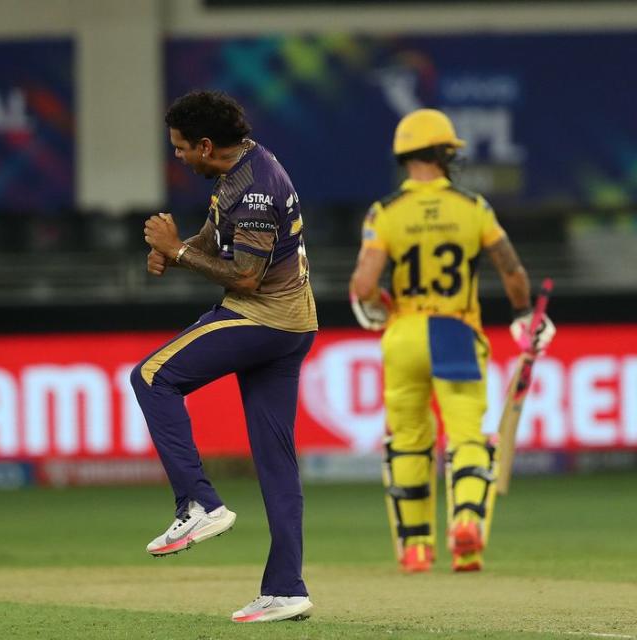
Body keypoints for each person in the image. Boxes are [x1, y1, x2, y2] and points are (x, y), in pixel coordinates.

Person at [130, 90, 317, 623]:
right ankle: (286, 588)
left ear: (207, 145)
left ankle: (199, 504)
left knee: (150, 377)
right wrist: (182, 247)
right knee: (276, 461)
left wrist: (179, 252)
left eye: (181, 148)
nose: (179, 157)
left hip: (264, 317)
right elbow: (217, 237)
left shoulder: (256, 189)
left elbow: (247, 277)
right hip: (291, 322)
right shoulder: (241, 167)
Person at [349, 109, 555, 574]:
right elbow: (512, 271)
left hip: (402, 335)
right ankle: (466, 528)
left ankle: (416, 547)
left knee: (407, 441)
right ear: (443, 153)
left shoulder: (386, 212)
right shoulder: (473, 207)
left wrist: (376, 305)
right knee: (464, 437)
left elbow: (363, 286)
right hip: (455, 332)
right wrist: (524, 315)